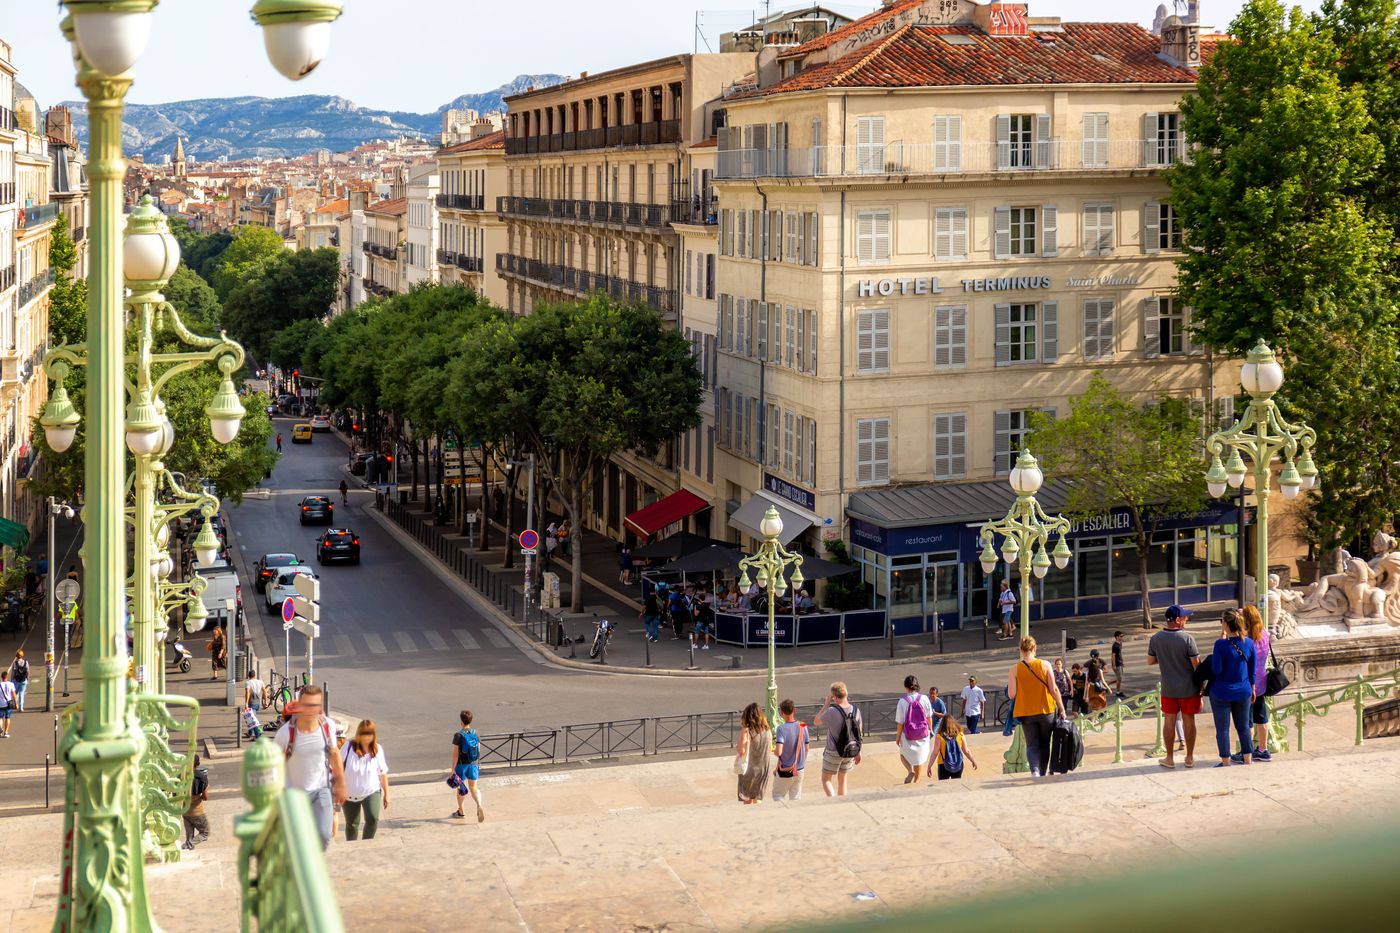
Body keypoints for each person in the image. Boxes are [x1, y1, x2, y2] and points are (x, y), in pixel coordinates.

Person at [272, 685, 347, 849]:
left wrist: (341, 783)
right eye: (307, 705)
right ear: (299, 705)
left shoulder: (328, 726)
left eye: (315, 705)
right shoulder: (285, 734)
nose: (310, 710)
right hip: (293, 794)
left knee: (324, 835)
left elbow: (334, 753)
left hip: (321, 789)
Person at [1148, 604, 1201, 768]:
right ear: (1178, 620)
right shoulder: (1187, 639)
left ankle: (1169, 758)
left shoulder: (1155, 638)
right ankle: (1189, 757)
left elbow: (1150, 661)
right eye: (1185, 617)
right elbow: (1196, 666)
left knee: (1169, 721)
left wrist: (1164, 658)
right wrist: (1201, 687)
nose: (1187, 619)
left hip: (1168, 688)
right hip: (1189, 688)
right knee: (1189, 721)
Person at [1007, 636, 1068, 778]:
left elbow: (1011, 695)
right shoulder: (1045, 665)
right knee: (1045, 743)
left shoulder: (1014, 669)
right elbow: (1054, 689)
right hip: (1046, 709)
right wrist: (1062, 708)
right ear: (1035, 648)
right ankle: (1042, 771)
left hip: (1026, 711)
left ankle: (1034, 771)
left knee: (1032, 744)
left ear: (1021, 650)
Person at [1210, 608, 1256, 767]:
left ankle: (1225, 761)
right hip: (1244, 690)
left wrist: (1221, 639)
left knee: (1222, 729)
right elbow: (1252, 669)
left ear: (1226, 625)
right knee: (1243, 726)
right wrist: (1253, 688)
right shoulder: (1249, 643)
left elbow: (1217, 670)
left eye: (1221, 621)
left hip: (1222, 691)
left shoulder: (1220, 645)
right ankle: (1248, 759)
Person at [341, 719, 390, 841]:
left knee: (373, 818)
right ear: (358, 734)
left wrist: (387, 794)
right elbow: (337, 765)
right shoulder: (348, 747)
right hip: (349, 793)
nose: (366, 737)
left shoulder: (377, 749)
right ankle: (352, 846)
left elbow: (382, 773)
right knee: (352, 824)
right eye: (363, 733)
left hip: (371, 790)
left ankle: (367, 842)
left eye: (369, 733)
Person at [816, 681, 862, 797]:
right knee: (842, 781)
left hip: (833, 751)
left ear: (835, 697)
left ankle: (833, 800)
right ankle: (842, 802)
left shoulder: (832, 711)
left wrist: (826, 704)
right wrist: (858, 752)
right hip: (849, 750)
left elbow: (816, 721)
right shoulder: (856, 711)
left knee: (826, 779)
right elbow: (858, 733)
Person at [1243, 604, 1273, 763]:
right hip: (1262, 679)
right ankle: (1263, 749)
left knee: (1247, 719)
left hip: (1248, 681)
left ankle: (1246, 751)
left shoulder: (1247, 639)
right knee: (1261, 716)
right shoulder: (1265, 634)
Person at [894, 675, 934, 785]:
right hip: (922, 733)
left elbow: (900, 722)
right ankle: (917, 780)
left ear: (906, 687)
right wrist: (930, 730)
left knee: (903, 754)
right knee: (919, 759)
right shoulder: (924, 698)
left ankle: (910, 771)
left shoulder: (902, 701)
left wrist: (898, 737)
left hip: (908, 734)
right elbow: (929, 716)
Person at [450, 710, 486, 822]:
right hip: (473, 764)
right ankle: (479, 804)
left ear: (461, 721)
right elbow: (478, 751)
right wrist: (477, 764)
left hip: (461, 765)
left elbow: (455, 755)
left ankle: (461, 812)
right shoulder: (476, 733)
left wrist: (453, 770)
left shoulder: (458, 735)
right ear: (471, 720)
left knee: (461, 788)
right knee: (473, 787)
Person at [735, 702, 773, 804]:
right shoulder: (767, 731)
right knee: (757, 798)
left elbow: (741, 751)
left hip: (750, 770)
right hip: (763, 770)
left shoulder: (749, 732)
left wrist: (743, 731)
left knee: (747, 800)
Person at [772, 699, 809, 801]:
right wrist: (801, 762)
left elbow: (779, 751)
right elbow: (806, 748)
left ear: (781, 713)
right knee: (796, 797)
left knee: (778, 795)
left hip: (785, 770)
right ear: (794, 710)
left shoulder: (781, 729)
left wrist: (774, 751)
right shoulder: (803, 725)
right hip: (799, 768)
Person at [930, 714, 978, 781]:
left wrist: (929, 766)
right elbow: (966, 751)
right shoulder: (961, 735)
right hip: (958, 764)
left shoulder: (939, 737)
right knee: (956, 785)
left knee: (943, 786)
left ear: (942, 724)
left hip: (943, 764)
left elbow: (935, 753)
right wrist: (973, 761)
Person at [182, 754, 210, 850]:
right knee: (205, 833)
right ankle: (187, 845)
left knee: (189, 836)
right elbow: (206, 797)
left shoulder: (181, 775)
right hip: (197, 811)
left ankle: (188, 845)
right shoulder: (201, 777)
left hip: (185, 811)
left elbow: (175, 794)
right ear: (198, 764)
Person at [0, 671, 16, 737]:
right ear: (7, 677)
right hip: (9, 703)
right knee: (7, 717)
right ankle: (6, 732)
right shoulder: (11, 684)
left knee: (0, 718)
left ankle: (0, 730)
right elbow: (14, 694)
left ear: (1, 677)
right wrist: (16, 703)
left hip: (1, 704)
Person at [1111, 630, 1126, 698]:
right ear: (1117, 637)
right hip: (1117, 664)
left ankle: (1106, 684)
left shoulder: (1120, 643)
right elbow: (1113, 655)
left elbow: (1120, 653)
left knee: (1119, 678)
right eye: (1121, 636)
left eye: (1122, 636)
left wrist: (1122, 661)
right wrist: (1114, 665)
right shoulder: (1115, 645)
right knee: (1119, 678)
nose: (1122, 637)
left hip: (1120, 663)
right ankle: (1118, 692)